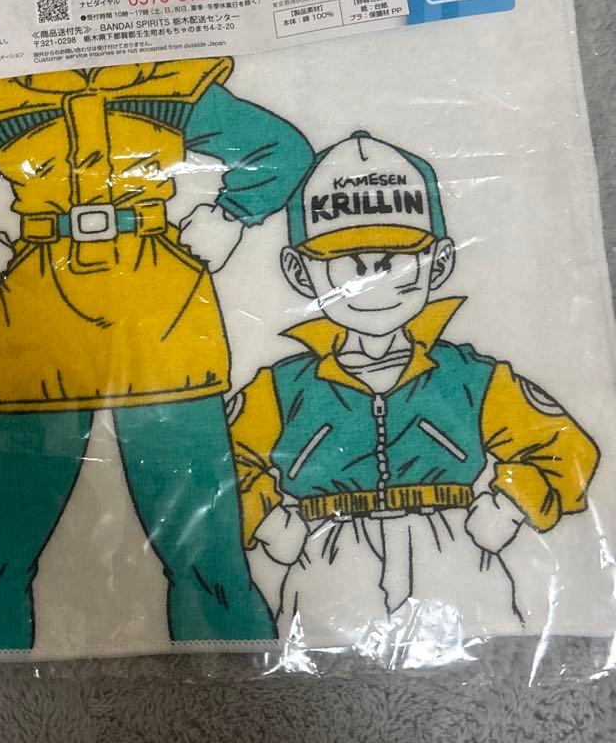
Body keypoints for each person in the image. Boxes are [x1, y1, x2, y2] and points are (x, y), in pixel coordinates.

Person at [0, 58, 313, 649]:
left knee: (207, 556)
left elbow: (280, 151)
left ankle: (244, 687)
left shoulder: (170, 86)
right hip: (47, 328)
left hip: (159, 326)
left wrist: (231, 215)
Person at [230, 129, 599, 640]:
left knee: (483, 655)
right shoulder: (283, 386)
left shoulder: (471, 377)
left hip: (455, 550)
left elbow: (565, 445)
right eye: (345, 262)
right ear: (298, 271)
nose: (372, 278)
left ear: (440, 262)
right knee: (317, 665)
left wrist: (510, 504)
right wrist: (269, 520)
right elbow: (218, 459)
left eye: (395, 259)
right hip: (326, 560)